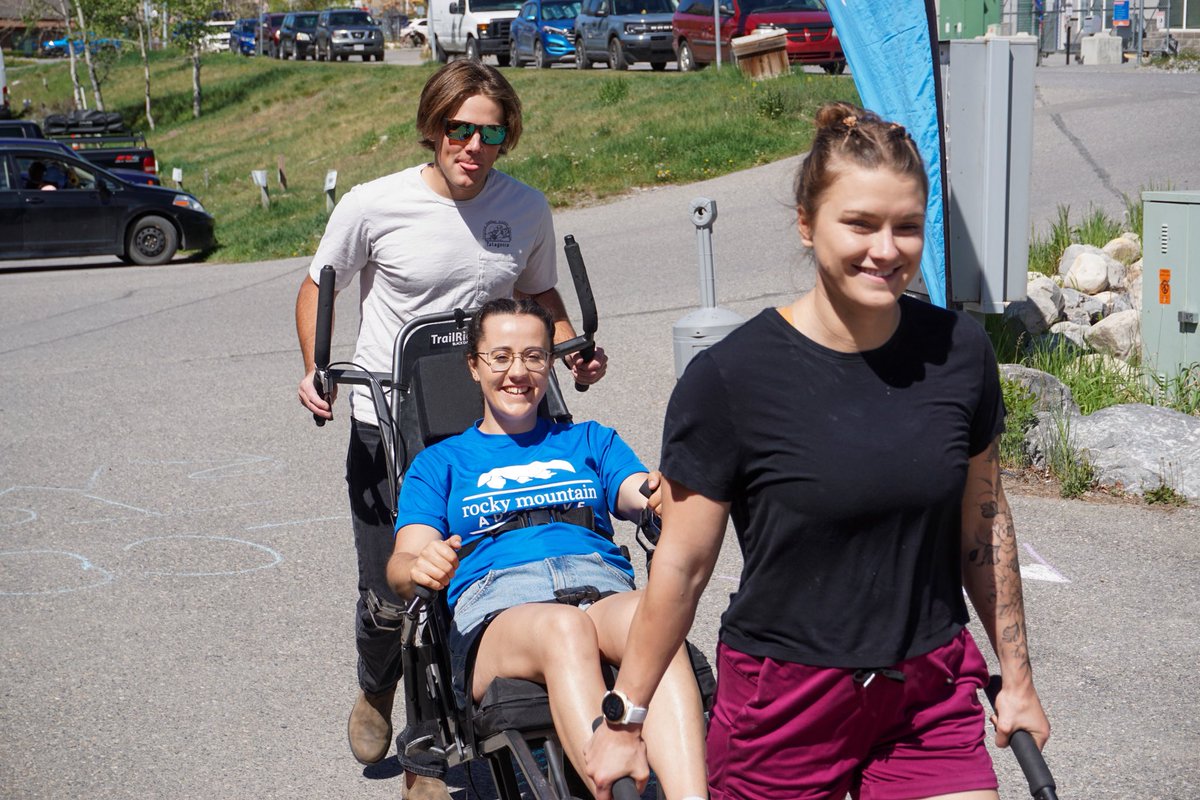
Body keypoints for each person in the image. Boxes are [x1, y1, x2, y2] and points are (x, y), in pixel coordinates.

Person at [585, 102, 1052, 800]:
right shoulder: (731, 378)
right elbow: (681, 567)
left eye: (906, 227)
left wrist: (1016, 679)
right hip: (786, 701)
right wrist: (626, 717)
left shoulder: (959, 352)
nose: (886, 249)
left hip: (928, 690)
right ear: (806, 223)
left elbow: (983, 524)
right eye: (859, 223)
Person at [294, 60, 607, 799]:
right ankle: (379, 690)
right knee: (396, 593)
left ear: (507, 137)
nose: (472, 144)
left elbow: (537, 292)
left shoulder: (525, 208)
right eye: (458, 128)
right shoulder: (376, 204)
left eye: (489, 131)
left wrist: (571, 347)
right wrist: (316, 366)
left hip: (495, 415)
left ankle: (467, 730)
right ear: (433, 128)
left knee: (509, 568)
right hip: (391, 422)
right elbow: (318, 285)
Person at [386, 298, 708, 800]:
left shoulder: (590, 440)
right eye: (501, 357)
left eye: (534, 357)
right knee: (565, 627)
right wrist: (419, 564)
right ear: (474, 366)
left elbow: (638, 492)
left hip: (599, 585)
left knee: (657, 619)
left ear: (551, 364)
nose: (519, 372)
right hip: (501, 609)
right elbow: (402, 565)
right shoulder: (439, 463)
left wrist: (662, 496)